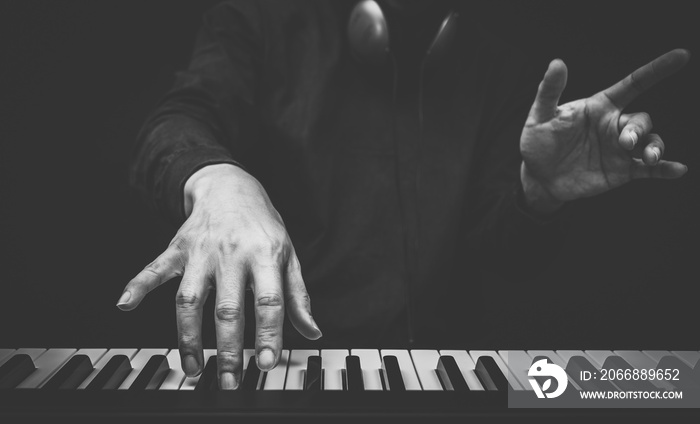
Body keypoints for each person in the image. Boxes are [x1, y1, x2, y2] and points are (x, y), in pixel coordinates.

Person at [117, 0, 690, 390]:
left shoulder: (501, 66)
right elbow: (177, 119)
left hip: (442, 372)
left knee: (657, 395)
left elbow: (506, 252)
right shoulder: (260, 20)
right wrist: (219, 179)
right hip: (275, 368)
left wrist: (537, 194)